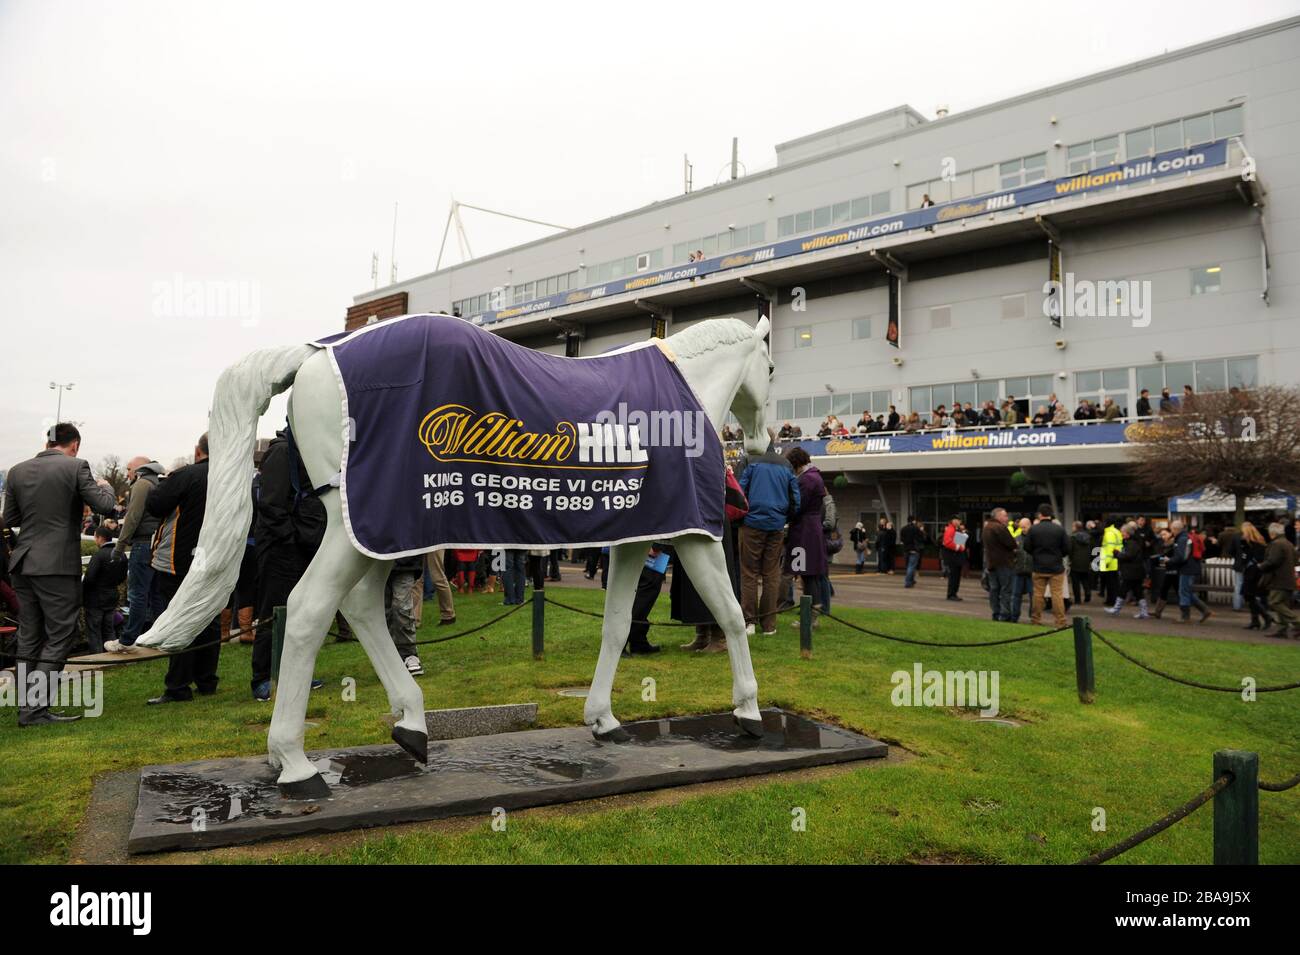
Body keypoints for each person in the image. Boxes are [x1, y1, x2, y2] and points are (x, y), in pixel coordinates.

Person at [3, 423, 117, 726]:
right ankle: (34, 710)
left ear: (48, 441)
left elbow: (11, 519)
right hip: (56, 566)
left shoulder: (16, 471)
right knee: (60, 635)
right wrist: (104, 485)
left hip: (23, 564)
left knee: (29, 637)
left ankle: (27, 707)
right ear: (75, 444)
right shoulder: (77, 466)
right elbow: (106, 506)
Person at [144, 432, 225, 704]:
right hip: (216, 558)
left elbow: (155, 505)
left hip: (181, 559)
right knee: (210, 619)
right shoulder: (231, 477)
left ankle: (177, 686)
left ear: (197, 450)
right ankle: (206, 680)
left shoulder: (187, 475)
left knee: (181, 619)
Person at [251, 428, 328, 701]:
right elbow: (270, 504)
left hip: (301, 544)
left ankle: (295, 675)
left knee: (300, 615)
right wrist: (290, 537)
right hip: (281, 548)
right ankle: (264, 677)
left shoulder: (303, 450)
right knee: (275, 612)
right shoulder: (283, 451)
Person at [738, 445, 798, 636]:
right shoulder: (786, 464)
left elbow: (740, 491)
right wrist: (784, 518)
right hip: (776, 525)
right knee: (771, 574)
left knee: (749, 573)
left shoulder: (751, 461)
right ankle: (769, 625)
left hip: (752, 524)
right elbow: (795, 498)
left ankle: (749, 622)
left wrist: (742, 518)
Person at [105, 457, 163, 650]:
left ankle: (127, 640)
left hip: (142, 545)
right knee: (156, 594)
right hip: (157, 545)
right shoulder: (158, 483)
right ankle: (158, 636)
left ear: (139, 469)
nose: (127, 473)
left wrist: (119, 547)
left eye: (128, 469)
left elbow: (132, 517)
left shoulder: (141, 484)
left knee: (137, 594)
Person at [784, 446, 829, 620]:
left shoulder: (807, 480)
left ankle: (811, 616)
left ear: (795, 463)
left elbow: (797, 506)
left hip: (804, 531)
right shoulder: (815, 476)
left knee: (807, 573)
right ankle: (813, 613)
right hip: (811, 529)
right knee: (810, 574)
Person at [81, 524, 127, 653]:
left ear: (100, 538)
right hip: (112, 595)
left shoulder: (99, 555)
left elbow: (89, 578)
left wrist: (83, 594)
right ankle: (112, 655)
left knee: (94, 630)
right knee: (109, 628)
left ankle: (97, 658)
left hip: (96, 599)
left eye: (95, 537)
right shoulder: (122, 555)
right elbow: (123, 577)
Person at [1027, 504, 1070, 626]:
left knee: (1038, 595)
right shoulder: (1059, 529)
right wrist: (1058, 555)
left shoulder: (1034, 529)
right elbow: (1067, 548)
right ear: (1051, 514)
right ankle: (1060, 621)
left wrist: (1036, 554)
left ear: (1040, 515)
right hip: (1056, 567)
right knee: (1057, 594)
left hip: (1038, 566)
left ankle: (1035, 619)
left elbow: (1027, 547)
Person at [1166, 519, 1212, 625]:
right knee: (1187, 591)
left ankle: (1185, 617)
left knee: (1183, 592)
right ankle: (1205, 610)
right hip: (1191, 567)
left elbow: (1181, 557)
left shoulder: (1182, 539)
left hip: (1187, 568)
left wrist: (1170, 560)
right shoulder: (1186, 537)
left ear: (1175, 529)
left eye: (1172, 529)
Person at [385, 555, 426, 673]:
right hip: (378, 564)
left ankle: (410, 654)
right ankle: (391, 658)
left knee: (402, 608)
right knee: (385, 614)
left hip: (406, 562)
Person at [625, 545, 668, 655]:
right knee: (646, 591)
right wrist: (656, 545)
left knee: (644, 591)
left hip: (650, 544)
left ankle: (637, 641)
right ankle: (626, 641)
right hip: (653, 544)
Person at [1257, 523, 1297, 639]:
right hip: (1289, 578)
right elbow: (1295, 560)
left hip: (1278, 578)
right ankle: (1282, 629)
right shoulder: (1289, 543)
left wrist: (1260, 566)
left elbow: (1272, 561)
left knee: (1274, 602)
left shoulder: (1276, 544)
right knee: (1283, 603)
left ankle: (1296, 622)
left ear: (1272, 533)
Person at [1108, 522, 1149, 618]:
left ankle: (1116, 609)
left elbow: (1128, 556)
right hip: (1135, 571)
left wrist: (1117, 553)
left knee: (1123, 589)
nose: (1121, 534)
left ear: (1128, 533)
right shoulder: (1132, 542)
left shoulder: (1132, 543)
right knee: (1138, 592)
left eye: (1122, 532)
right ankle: (1144, 612)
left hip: (1131, 571)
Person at [1237, 522, 1273, 631]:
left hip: (1253, 573)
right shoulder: (1257, 543)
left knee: (1249, 595)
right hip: (1253, 572)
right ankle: (1255, 620)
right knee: (1250, 596)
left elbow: (1249, 558)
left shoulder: (1252, 544)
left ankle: (1265, 617)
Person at [983, 508, 1016, 621]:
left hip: (991, 564)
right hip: (1004, 563)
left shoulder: (987, 527)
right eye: (1005, 516)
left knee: (994, 590)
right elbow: (1011, 544)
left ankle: (996, 614)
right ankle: (1004, 615)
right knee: (1006, 590)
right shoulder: (999, 527)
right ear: (998, 516)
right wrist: (1015, 545)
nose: (1007, 518)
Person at [940, 515, 966, 601]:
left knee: (955, 576)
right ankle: (951, 594)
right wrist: (959, 547)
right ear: (953, 520)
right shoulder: (951, 529)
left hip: (954, 556)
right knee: (954, 576)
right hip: (953, 556)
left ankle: (953, 593)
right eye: (958, 520)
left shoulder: (953, 529)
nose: (959, 522)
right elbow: (947, 543)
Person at [1068, 520, 1094, 605]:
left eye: (1072, 526)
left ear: (1075, 527)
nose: (1072, 528)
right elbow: (1091, 549)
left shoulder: (1072, 537)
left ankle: (1078, 599)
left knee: (1075, 582)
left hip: (1075, 561)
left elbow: (1070, 550)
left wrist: (1070, 559)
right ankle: (1087, 593)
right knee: (1085, 579)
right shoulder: (1088, 536)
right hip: (1086, 561)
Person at [900, 516, 927, 588]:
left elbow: (902, 539)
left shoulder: (903, 529)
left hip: (906, 549)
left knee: (908, 566)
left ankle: (911, 580)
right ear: (913, 521)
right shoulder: (916, 528)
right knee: (911, 566)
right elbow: (922, 538)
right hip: (914, 549)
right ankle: (908, 582)